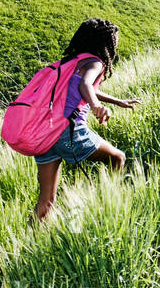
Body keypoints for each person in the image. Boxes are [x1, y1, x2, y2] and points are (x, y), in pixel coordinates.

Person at [33, 18, 140, 221]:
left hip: (46, 133)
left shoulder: (72, 61)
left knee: (46, 200)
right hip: (68, 131)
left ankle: (28, 240)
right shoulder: (95, 62)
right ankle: (113, 206)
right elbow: (85, 85)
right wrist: (97, 107)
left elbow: (84, 86)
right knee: (118, 158)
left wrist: (117, 101)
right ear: (106, 43)